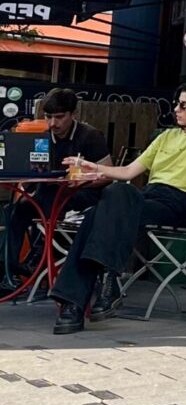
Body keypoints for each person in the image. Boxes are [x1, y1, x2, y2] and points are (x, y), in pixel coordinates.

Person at [51, 82, 186, 334]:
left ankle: (75, 301)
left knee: (104, 208)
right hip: (146, 197)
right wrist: (94, 167)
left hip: (176, 203)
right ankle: (101, 287)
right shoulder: (166, 137)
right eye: (176, 103)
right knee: (104, 205)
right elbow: (128, 172)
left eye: (183, 105)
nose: (176, 109)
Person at [2, 89, 111, 286]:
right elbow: (31, 180)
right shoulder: (43, 139)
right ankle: (9, 271)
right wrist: (26, 177)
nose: (53, 123)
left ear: (73, 114)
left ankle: (38, 254)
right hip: (49, 196)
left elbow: (108, 173)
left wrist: (81, 180)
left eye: (59, 117)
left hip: (83, 196)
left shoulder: (90, 136)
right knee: (15, 210)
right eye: (48, 117)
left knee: (49, 194)